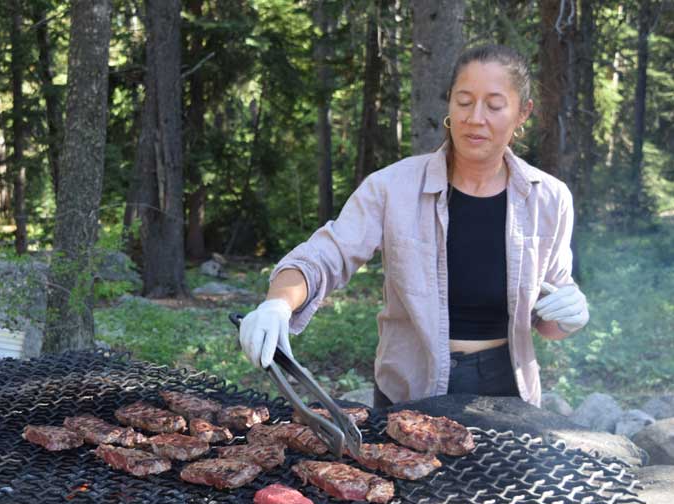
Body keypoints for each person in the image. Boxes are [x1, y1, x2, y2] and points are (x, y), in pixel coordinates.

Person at [238, 44, 588, 408]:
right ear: (449, 105)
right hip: (411, 386)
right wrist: (277, 304)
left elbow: (548, 319)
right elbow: (325, 256)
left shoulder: (549, 199)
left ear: (522, 113)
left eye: (495, 105)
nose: (476, 117)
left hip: (509, 387)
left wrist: (569, 317)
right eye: (464, 101)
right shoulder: (393, 187)